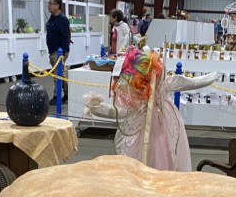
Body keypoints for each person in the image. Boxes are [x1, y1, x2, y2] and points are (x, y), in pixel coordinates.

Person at [84, 47, 217, 171]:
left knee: (163, 155)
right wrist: (97, 108)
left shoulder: (163, 85)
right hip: (143, 131)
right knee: (144, 159)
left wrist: (211, 77)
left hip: (164, 127)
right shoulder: (138, 98)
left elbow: (188, 83)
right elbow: (121, 112)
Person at [45, 0, 71, 102]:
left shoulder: (62, 19)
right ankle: (68, 94)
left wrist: (63, 54)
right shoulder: (52, 18)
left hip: (59, 52)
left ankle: (57, 96)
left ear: (57, 6)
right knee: (60, 73)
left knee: (57, 74)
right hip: (52, 51)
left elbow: (65, 36)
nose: (48, 6)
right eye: (49, 3)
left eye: (50, 4)